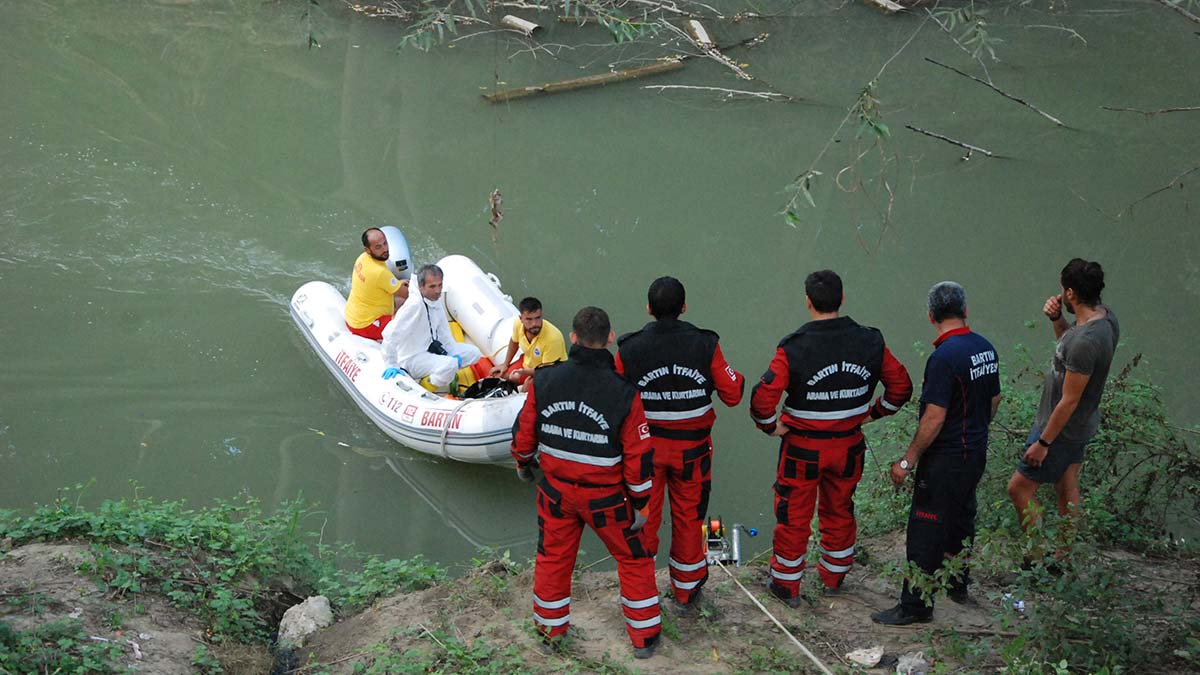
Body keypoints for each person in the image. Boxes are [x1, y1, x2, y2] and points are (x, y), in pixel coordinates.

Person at [750, 270, 912, 607]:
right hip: (848, 446)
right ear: (843, 299)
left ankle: (786, 585)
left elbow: (762, 399)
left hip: (803, 449)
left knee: (793, 514)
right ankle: (834, 577)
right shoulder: (870, 341)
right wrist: (873, 414)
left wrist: (772, 426)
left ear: (807, 302)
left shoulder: (794, 346)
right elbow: (901, 388)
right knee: (840, 509)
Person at [511, 306, 661, 659]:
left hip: (556, 492)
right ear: (610, 338)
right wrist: (641, 502)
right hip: (607, 499)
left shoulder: (545, 380)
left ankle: (550, 633)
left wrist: (522, 463)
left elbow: (524, 432)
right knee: (635, 558)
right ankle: (644, 640)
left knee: (552, 558)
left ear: (573, 338)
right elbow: (639, 456)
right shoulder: (625, 393)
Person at [871, 282, 1002, 626]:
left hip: (944, 459)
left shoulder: (944, 358)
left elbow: (934, 416)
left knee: (926, 529)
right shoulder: (984, 349)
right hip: (974, 453)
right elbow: (994, 400)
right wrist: (974, 427)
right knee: (961, 519)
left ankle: (916, 607)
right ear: (965, 311)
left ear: (930, 316)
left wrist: (907, 460)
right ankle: (957, 584)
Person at [614, 276, 744, 614]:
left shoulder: (629, 349)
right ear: (684, 308)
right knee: (689, 521)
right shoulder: (705, 344)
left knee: (643, 521)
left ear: (648, 309)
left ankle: (643, 596)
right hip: (693, 454)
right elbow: (733, 394)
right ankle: (687, 596)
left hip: (646, 455)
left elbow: (613, 402)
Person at [1007, 259, 1118, 538]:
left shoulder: (1085, 342)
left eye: (1062, 289)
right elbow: (1067, 348)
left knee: (1019, 488)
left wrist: (1044, 443)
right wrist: (1057, 320)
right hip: (1081, 423)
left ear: (1070, 293)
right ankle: (1064, 556)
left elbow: (1069, 399)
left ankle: (1037, 558)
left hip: (1059, 429)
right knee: (1067, 486)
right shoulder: (1105, 319)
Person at [380, 264, 481, 392]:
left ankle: (441, 373)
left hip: (430, 349)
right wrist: (391, 363)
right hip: (412, 358)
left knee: (474, 353)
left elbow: (444, 334)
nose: (438, 290)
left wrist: (451, 353)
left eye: (440, 285)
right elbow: (390, 334)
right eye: (432, 286)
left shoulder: (434, 300)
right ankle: (427, 384)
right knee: (450, 364)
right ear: (421, 287)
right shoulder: (414, 306)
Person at [488, 297, 567, 390]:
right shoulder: (518, 324)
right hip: (528, 365)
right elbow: (514, 342)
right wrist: (505, 364)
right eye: (529, 319)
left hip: (550, 373)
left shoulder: (553, 338)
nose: (534, 324)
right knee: (497, 376)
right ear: (521, 319)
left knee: (526, 389)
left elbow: (546, 372)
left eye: (538, 318)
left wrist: (526, 374)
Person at [345, 228, 408, 340]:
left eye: (385, 243)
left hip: (354, 314)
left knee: (400, 302)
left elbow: (381, 283)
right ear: (368, 249)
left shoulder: (362, 258)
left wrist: (398, 284)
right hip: (365, 325)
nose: (385, 249)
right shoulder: (380, 273)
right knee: (410, 322)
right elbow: (407, 294)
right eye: (378, 247)